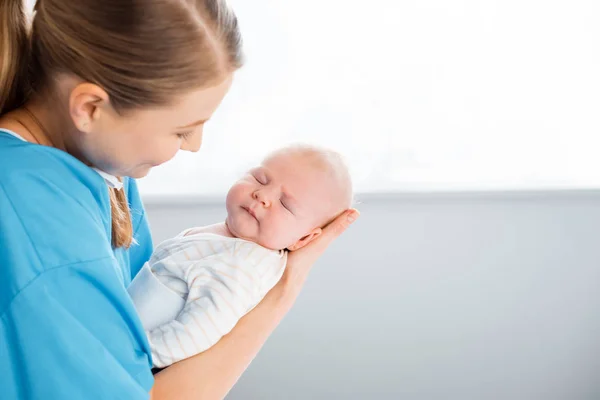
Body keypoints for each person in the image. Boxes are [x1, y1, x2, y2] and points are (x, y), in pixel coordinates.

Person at [0, 0, 359, 399]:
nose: (194, 146)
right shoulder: (40, 219)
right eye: (181, 130)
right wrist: (281, 294)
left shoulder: (104, 169)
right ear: (90, 108)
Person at [128, 145, 353, 368]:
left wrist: (133, 356)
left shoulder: (245, 264)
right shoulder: (231, 241)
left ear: (303, 239)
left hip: (133, 355)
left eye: (285, 204)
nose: (262, 195)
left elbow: (198, 331)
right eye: (260, 178)